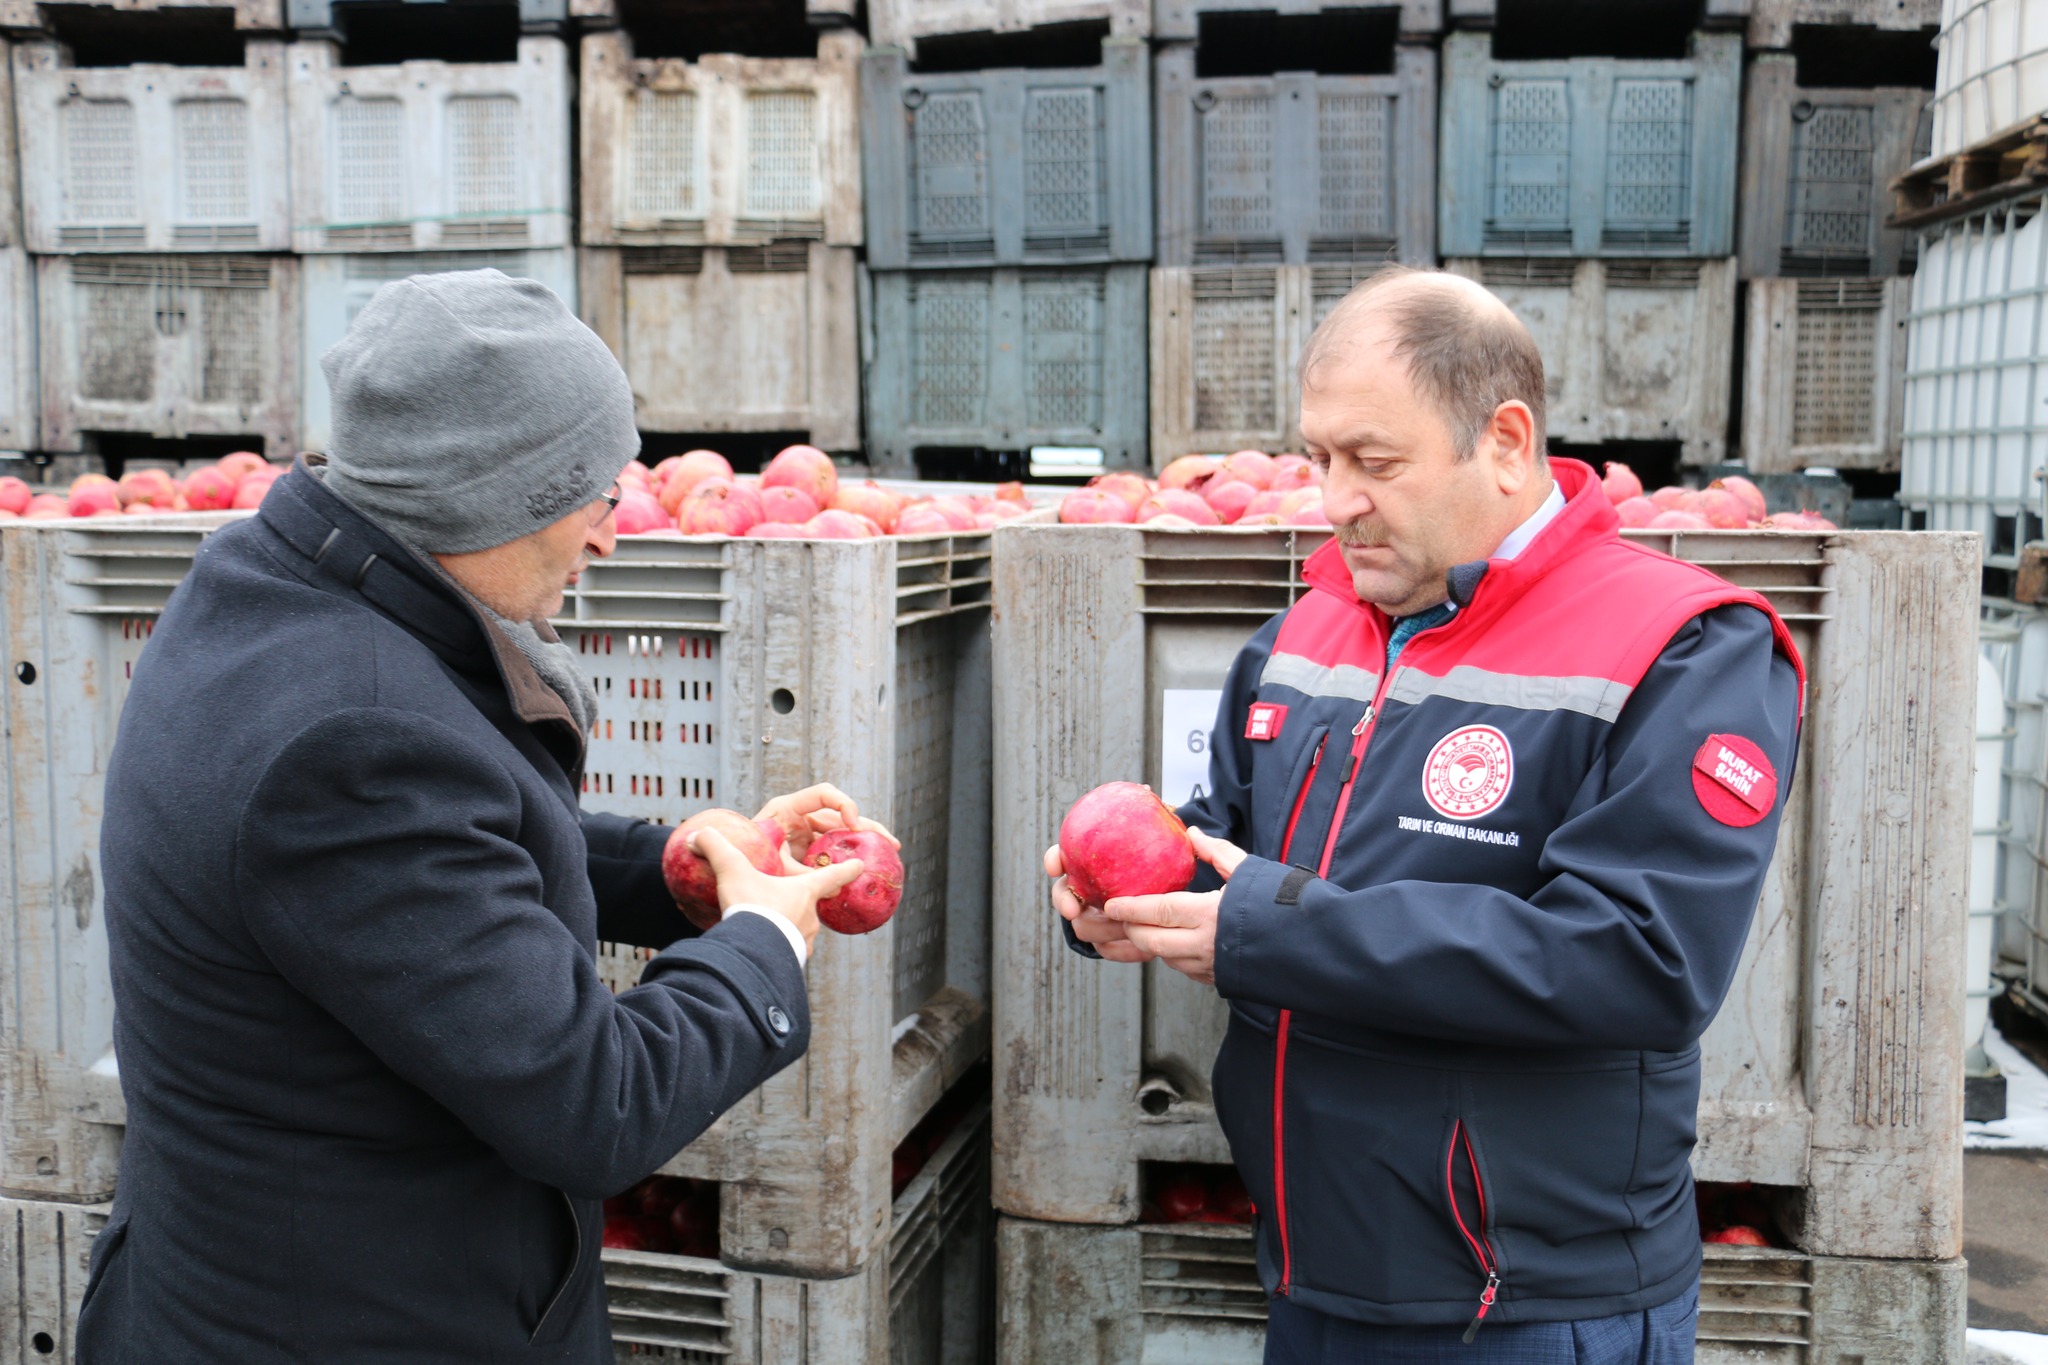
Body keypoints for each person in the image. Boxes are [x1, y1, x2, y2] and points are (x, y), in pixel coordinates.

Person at [78, 270, 882, 1362]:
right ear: (494, 495)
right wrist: (764, 942)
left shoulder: (271, 591)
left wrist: (682, 868)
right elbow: (596, 1102)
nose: (609, 536)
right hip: (342, 1325)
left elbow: (430, 865)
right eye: (596, 494)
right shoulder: (349, 738)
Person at [1049, 267, 1804, 1364]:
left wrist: (1270, 928)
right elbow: (1220, 852)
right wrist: (1118, 903)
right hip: (1316, 1274)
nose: (1334, 499)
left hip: (1523, 1304)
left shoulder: (1684, 646)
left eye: (1374, 460)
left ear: (1504, 442)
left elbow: (1639, 961)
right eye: (1317, 458)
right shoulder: (1306, 631)